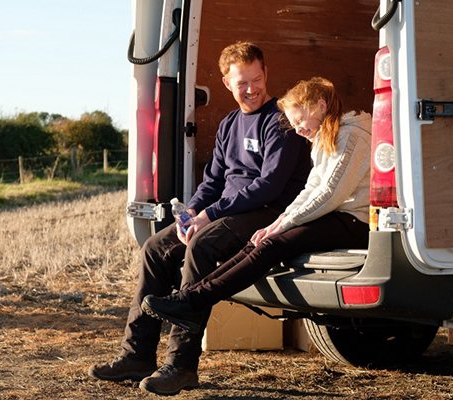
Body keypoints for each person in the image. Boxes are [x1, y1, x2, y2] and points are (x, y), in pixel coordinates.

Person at [88, 42, 311, 396]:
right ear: (227, 83)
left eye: (256, 79)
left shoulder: (280, 120)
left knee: (202, 246)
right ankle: (137, 355)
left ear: (266, 73)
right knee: (154, 248)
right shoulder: (229, 124)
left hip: (268, 212)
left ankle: (181, 364)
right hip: (228, 210)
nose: (251, 89)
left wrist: (211, 214)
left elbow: (269, 186)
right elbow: (213, 180)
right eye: (242, 83)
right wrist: (191, 211)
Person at [141, 77, 371, 337]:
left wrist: (282, 224)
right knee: (260, 241)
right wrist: (276, 223)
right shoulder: (325, 137)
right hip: (335, 216)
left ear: (319, 106)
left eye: (299, 121)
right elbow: (311, 188)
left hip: (354, 220)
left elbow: (329, 195)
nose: (297, 130)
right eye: (293, 124)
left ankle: (191, 301)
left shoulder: (353, 136)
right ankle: (190, 298)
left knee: (273, 244)